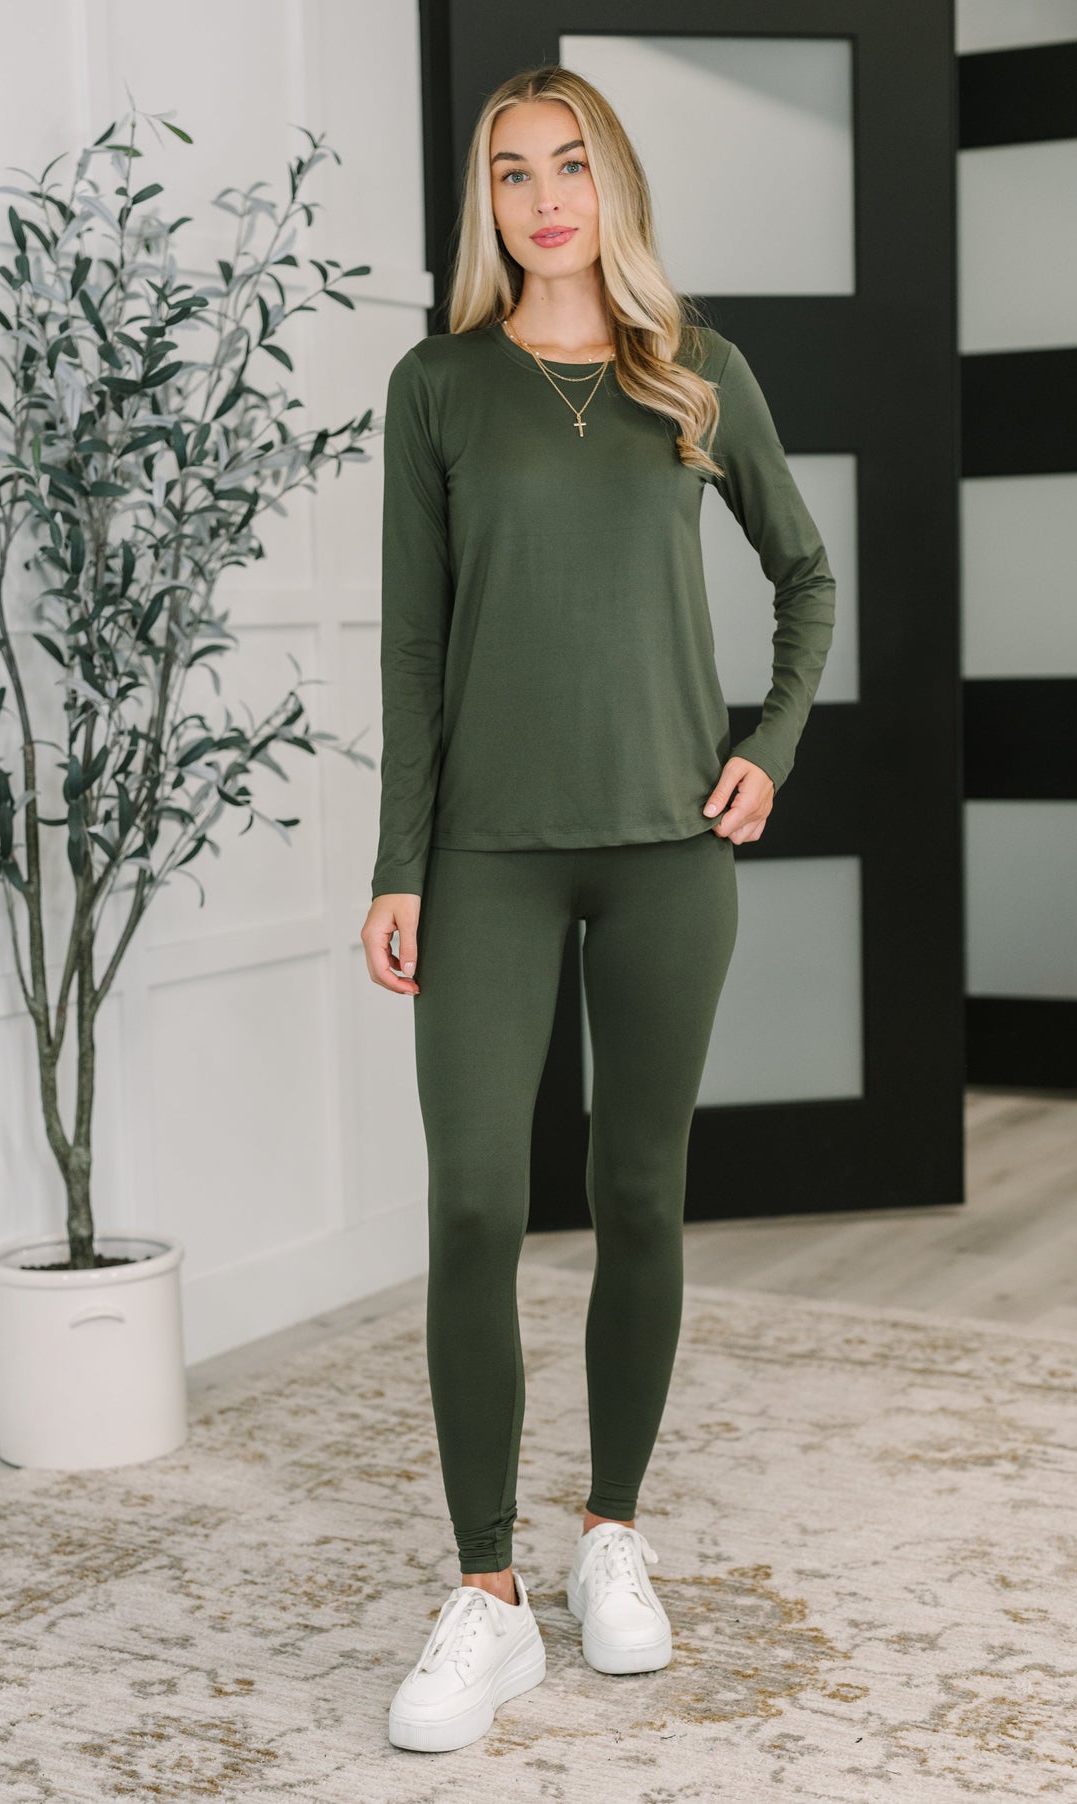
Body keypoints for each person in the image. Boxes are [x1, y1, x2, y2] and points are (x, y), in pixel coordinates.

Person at [360, 62, 835, 1754]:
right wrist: (398, 862)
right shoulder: (437, 387)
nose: (544, 197)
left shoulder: (696, 374)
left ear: (612, 182)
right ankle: (484, 1597)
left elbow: (807, 573)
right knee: (478, 1205)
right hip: (486, 855)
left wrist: (766, 751)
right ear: (482, 204)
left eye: (570, 165)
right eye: (510, 174)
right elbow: (414, 649)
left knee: (640, 1196)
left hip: (661, 861)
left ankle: (610, 1533)